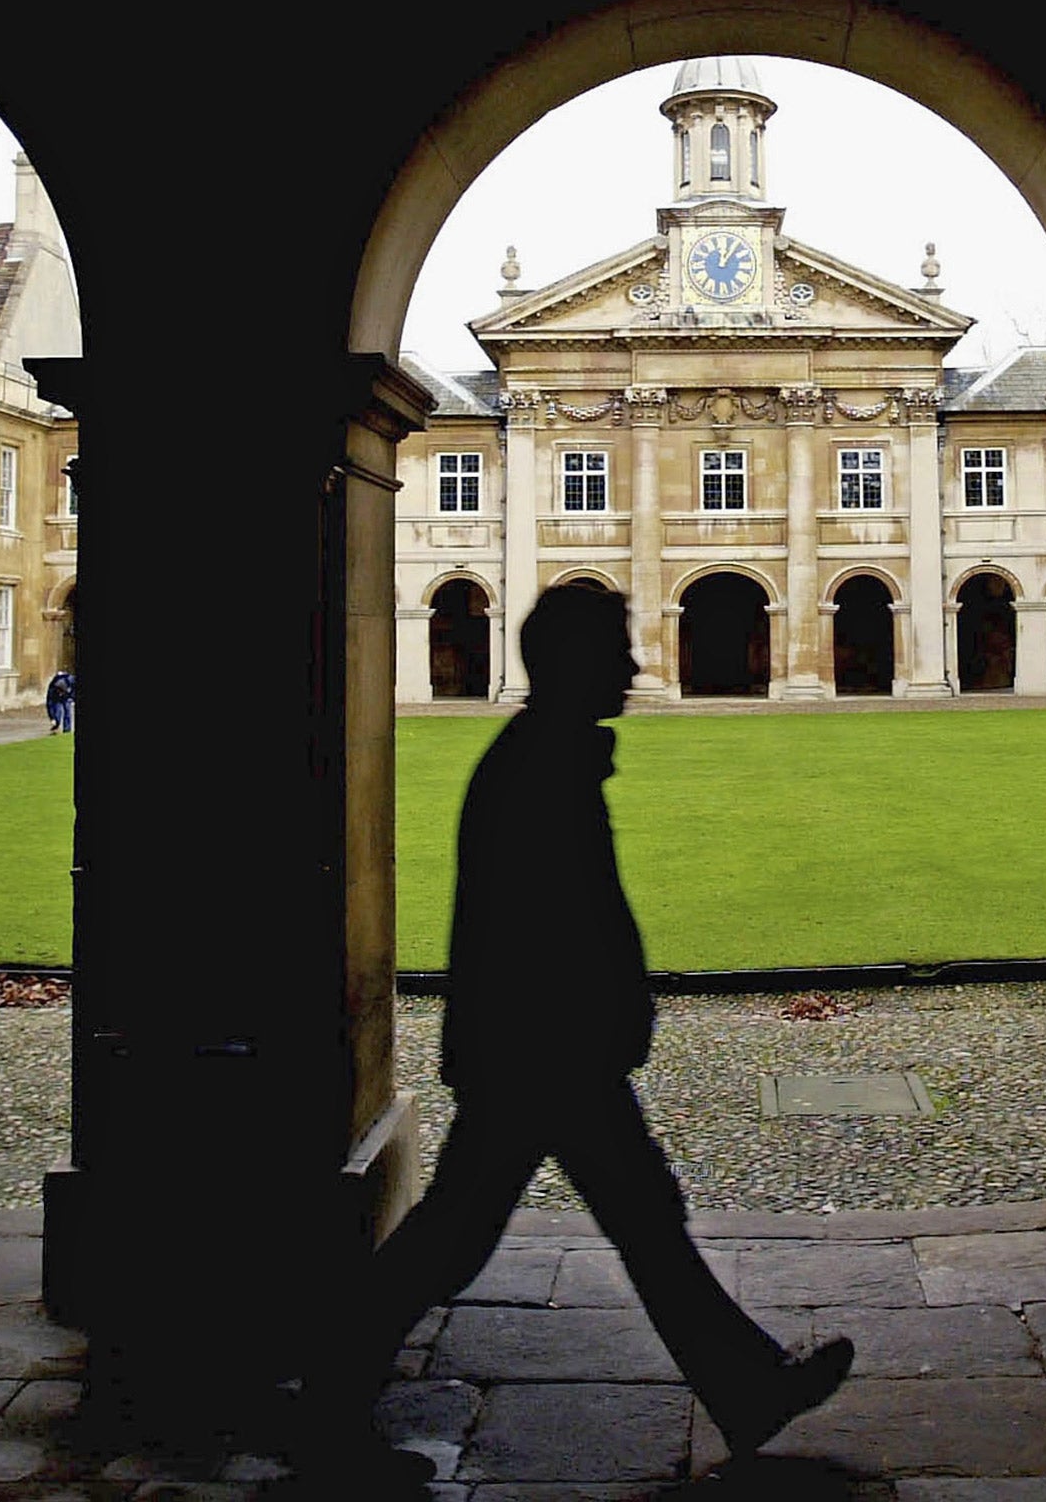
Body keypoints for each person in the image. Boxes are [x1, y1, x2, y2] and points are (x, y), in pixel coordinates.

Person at [301, 583, 853, 1471]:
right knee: (474, 1237)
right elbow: (549, 922)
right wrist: (608, 1009)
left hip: (539, 1045)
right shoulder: (540, 765)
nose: (637, 667)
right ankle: (325, 1405)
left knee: (616, 1221)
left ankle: (748, 1387)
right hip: (542, 1051)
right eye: (618, 652)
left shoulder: (544, 753)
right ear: (575, 664)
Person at [45, 669, 75, 734]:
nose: (60, 694)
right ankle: (55, 726)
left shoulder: (71, 680)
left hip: (67, 696)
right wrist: (52, 718)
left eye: (61, 692)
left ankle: (67, 730)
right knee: (57, 711)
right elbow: (49, 704)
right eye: (59, 692)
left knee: (67, 711)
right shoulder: (52, 690)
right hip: (57, 698)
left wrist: (72, 698)